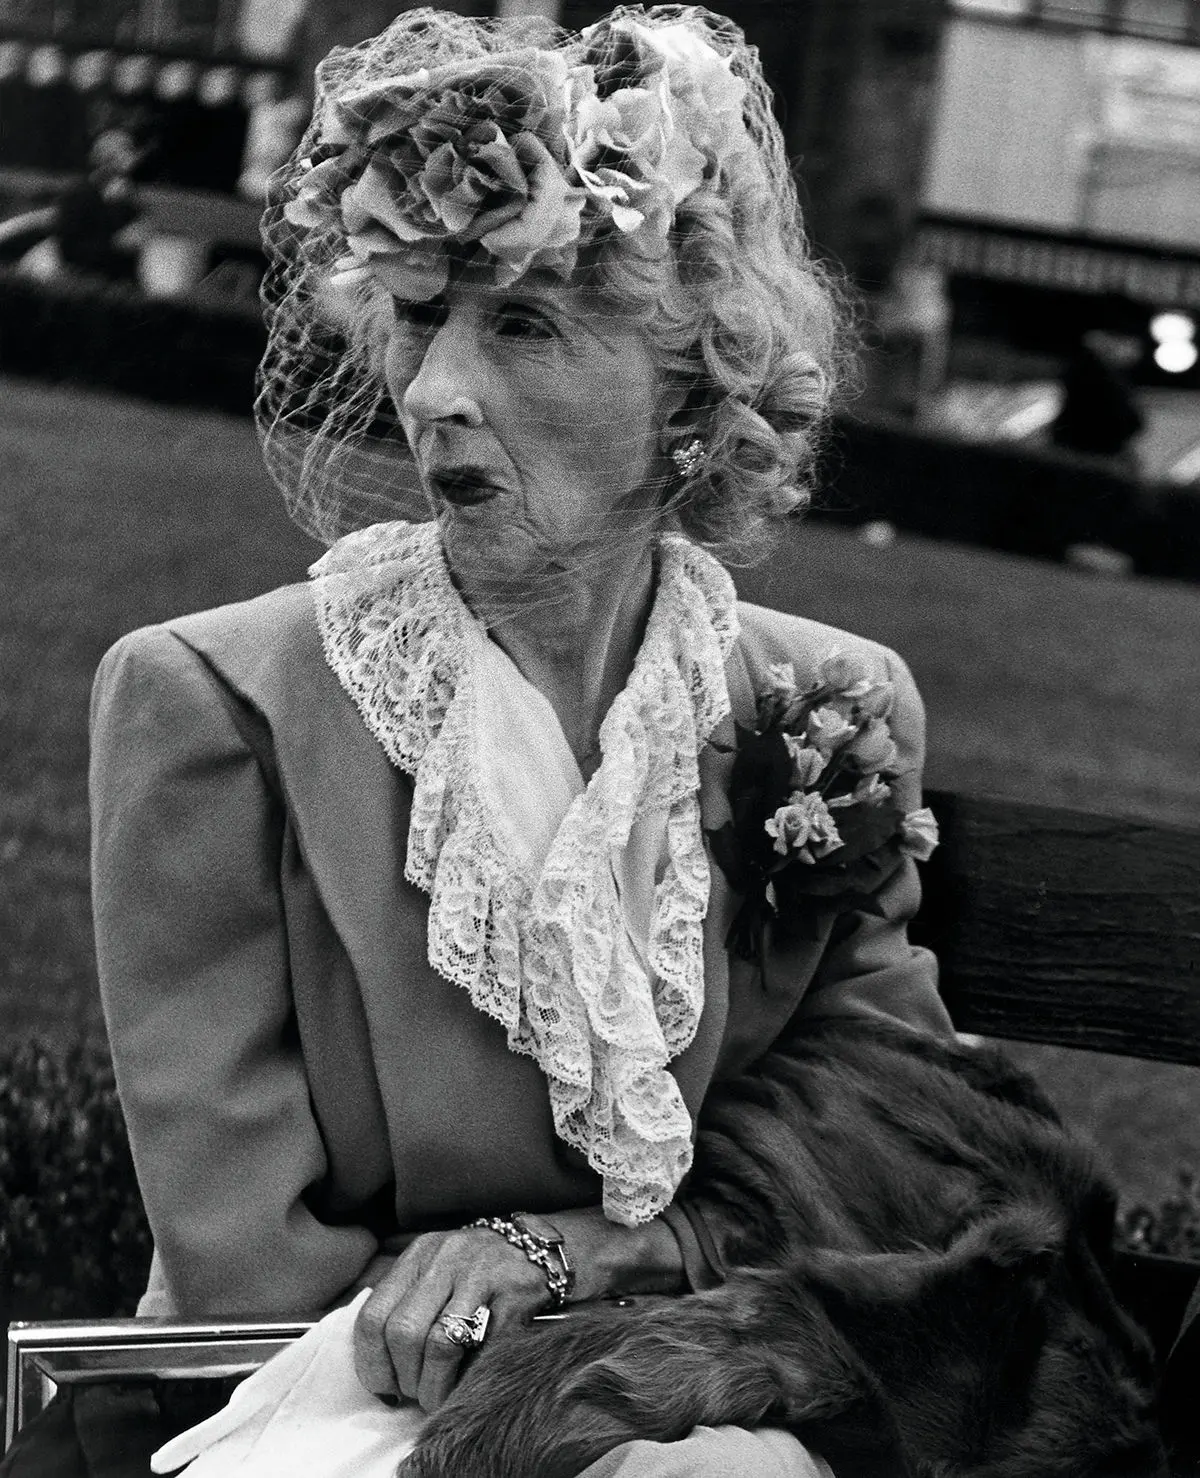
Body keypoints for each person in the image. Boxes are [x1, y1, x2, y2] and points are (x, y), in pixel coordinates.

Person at [14, 7, 956, 1475]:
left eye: (520, 325)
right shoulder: (213, 703)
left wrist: (573, 1253)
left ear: (691, 389)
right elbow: (242, 1272)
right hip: (326, 1411)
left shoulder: (825, 714)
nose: (437, 391)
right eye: (415, 320)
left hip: (715, 1388)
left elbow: (890, 1165)